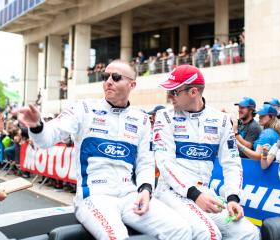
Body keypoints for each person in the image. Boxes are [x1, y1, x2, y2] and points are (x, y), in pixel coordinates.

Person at [14, 60, 191, 240]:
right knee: (117, 237)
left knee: (182, 229)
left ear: (132, 84)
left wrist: (145, 190)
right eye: (105, 77)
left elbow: (145, 163)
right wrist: (37, 125)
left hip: (130, 196)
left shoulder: (141, 119)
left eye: (115, 77)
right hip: (95, 197)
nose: (108, 81)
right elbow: (47, 138)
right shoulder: (84, 108)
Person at [154, 65, 260, 240]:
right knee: (208, 234)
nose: (169, 96)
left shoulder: (222, 120)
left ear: (194, 92)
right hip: (170, 191)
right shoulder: (164, 117)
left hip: (205, 192)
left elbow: (231, 163)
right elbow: (165, 163)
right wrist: (195, 194)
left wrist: (233, 197)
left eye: (174, 91)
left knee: (249, 233)